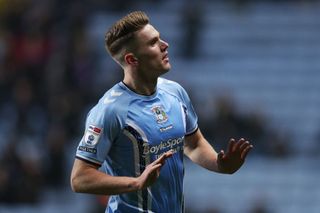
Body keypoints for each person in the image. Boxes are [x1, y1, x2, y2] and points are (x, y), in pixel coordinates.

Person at [70, 11, 253, 213]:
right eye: (153, 43)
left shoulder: (175, 92)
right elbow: (80, 178)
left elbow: (193, 144)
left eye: (160, 38)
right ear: (132, 60)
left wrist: (221, 166)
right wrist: (136, 183)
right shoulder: (109, 110)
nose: (165, 45)